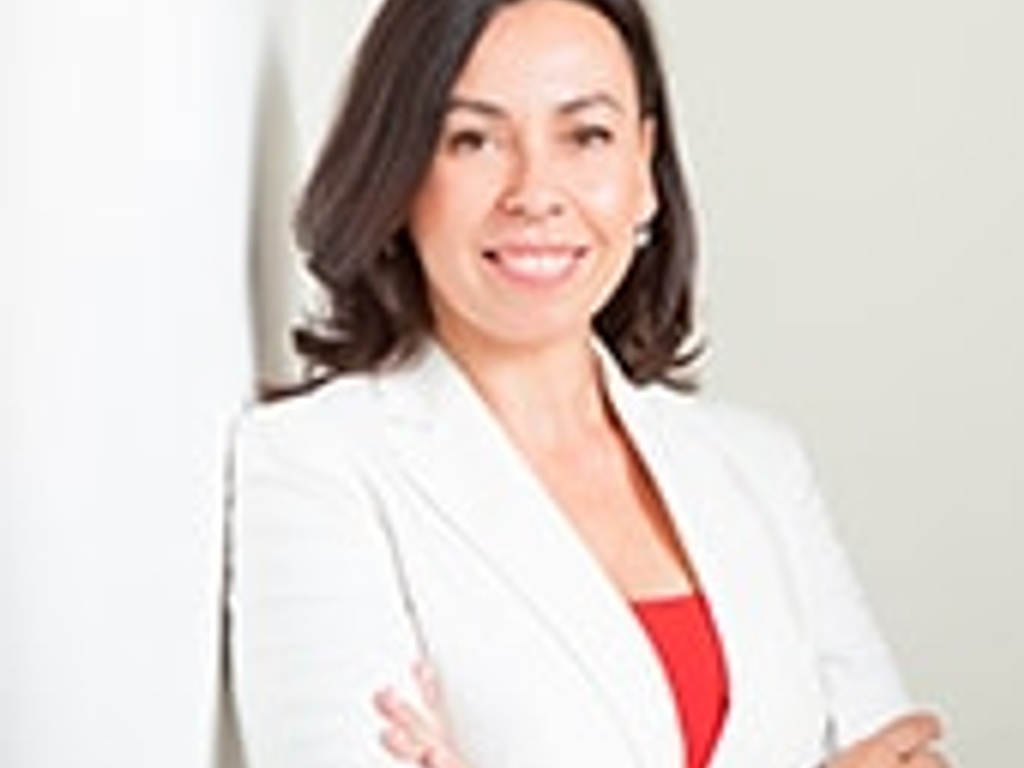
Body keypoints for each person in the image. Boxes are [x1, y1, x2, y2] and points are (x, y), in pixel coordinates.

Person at [226, 0, 951, 766]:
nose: (535, 193)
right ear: (402, 177)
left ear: (643, 169)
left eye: (586, 136)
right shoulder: (316, 465)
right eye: (472, 139)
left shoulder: (760, 467)